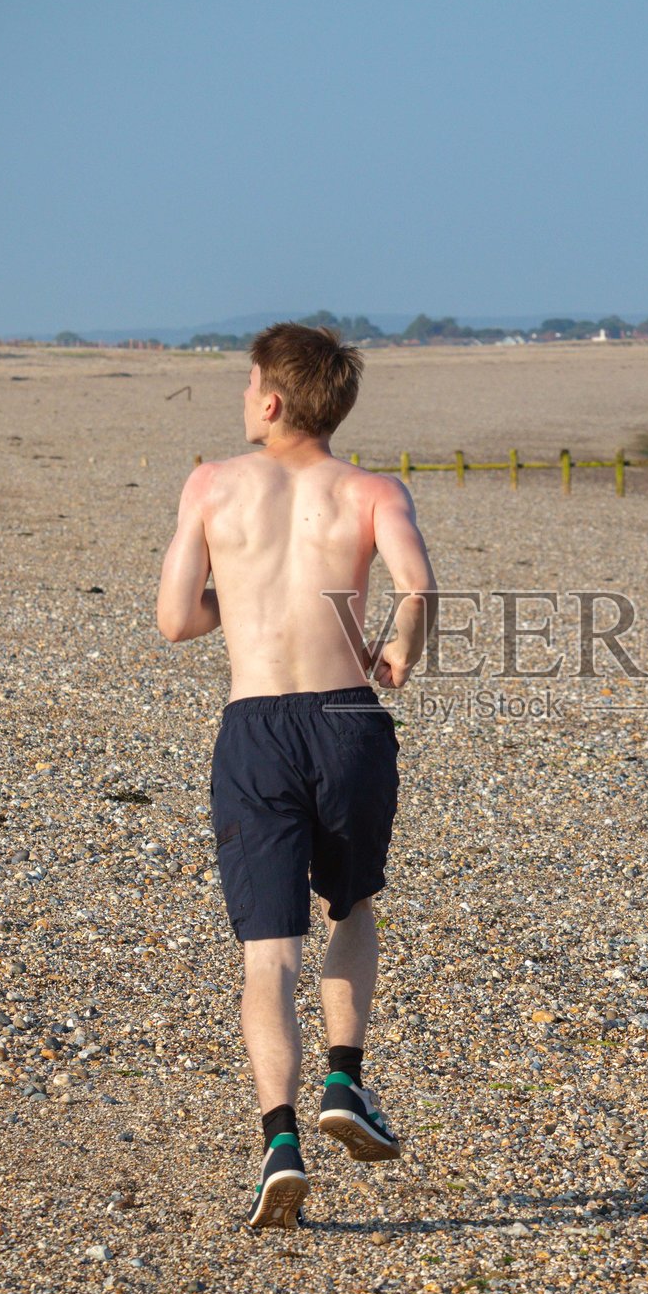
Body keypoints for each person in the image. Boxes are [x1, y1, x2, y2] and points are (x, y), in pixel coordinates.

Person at [156, 323, 437, 1230]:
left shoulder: (210, 485)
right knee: (351, 906)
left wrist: (240, 595)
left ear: (271, 401)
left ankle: (280, 1140)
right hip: (346, 718)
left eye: (247, 387)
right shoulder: (372, 491)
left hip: (255, 729)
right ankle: (344, 1082)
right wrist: (399, 646)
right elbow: (417, 587)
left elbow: (175, 620)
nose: (243, 400)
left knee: (267, 951)